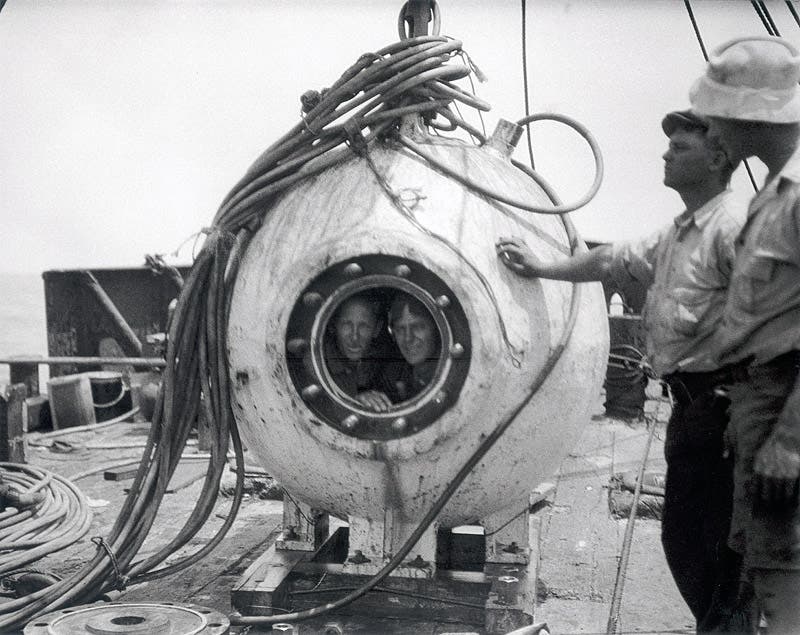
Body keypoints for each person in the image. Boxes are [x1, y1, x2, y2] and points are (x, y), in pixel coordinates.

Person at [496, 110, 750, 632]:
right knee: (685, 542)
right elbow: (610, 260)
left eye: (680, 148)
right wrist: (542, 267)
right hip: (692, 410)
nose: (665, 154)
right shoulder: (683, 232)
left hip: (731, 414)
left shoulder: (734, 228)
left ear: (719, 157)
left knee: (725, 554)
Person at [689, 35, 800, 634]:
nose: (710, 130)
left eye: (716, 115)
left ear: (750, 115)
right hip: (761, 408)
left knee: (786, 591)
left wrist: (791, 442)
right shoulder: (772, 195)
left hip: (786, 415)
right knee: (760, 578)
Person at [324, 292, 393, 412]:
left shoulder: (383, 359)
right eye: (347, 324)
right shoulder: (316, 365)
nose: (355, 336)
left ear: (377, 329)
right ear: (333, 325)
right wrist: (356, 400)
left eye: (364, 326)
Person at [381, 293, 441, 403]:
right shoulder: (394, 375)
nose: (408, 338)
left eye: (417, 327)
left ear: (436, 329)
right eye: (400, 329)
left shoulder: (447, 373)